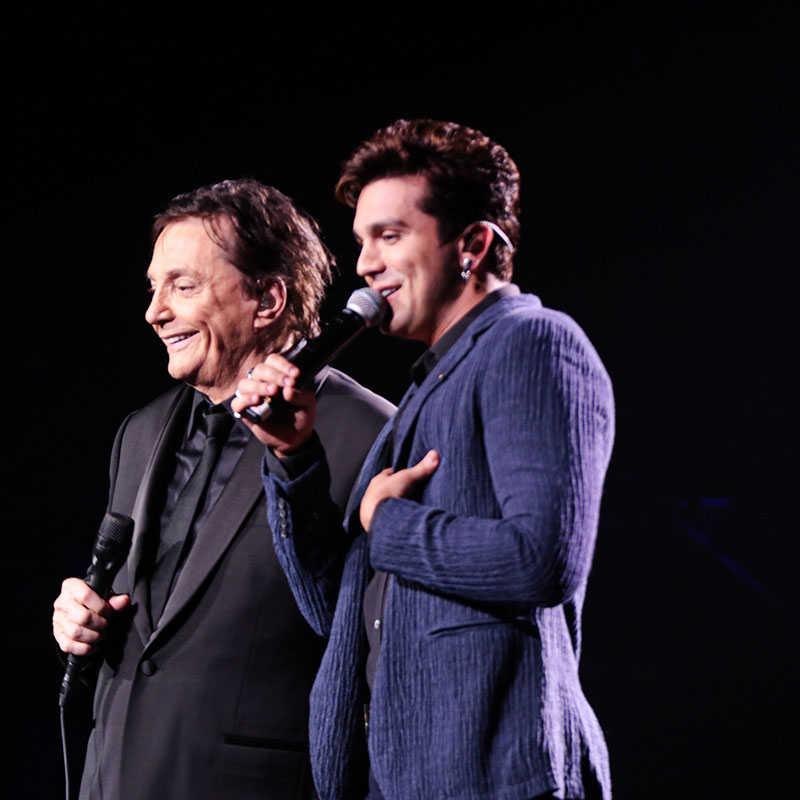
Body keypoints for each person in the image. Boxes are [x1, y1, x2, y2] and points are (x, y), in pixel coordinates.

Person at [232, 119, 615, 800]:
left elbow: (544, 559)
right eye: (362, 240)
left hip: (496, 781)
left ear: (473, 245)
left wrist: (389, 524)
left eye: (391, 235)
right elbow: (335, 611)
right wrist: (294, 457)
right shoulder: (425, 388)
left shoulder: (532, 343)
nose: (366, 264)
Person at [51, 178, 395, 800]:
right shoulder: (140, 432)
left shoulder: (370, 435)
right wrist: (82, 623)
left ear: (267, 299)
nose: (155, 311)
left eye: (183, 286)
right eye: (153, 288)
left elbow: (374, 646)